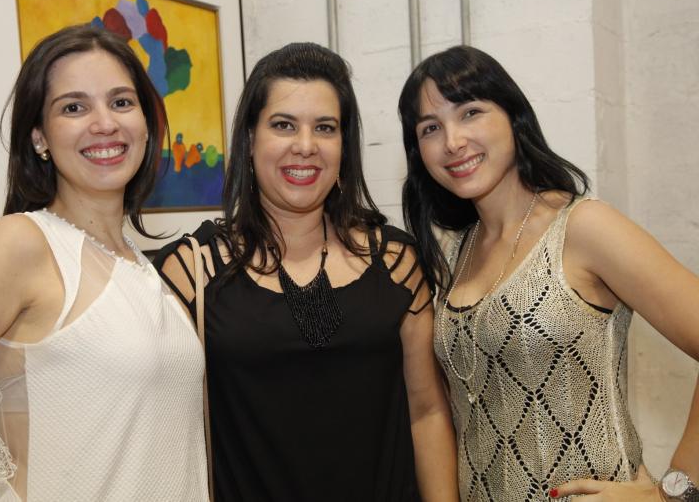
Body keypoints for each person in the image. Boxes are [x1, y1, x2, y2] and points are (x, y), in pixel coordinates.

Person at [0, 25, 209, 501]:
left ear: (147, 124)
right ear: (39, 136)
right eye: (74, 108)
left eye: (121, 102)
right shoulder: (22, 244)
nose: (104, 123)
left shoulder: (142, 268)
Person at [155, 42, 459, 501]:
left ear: (343, 146)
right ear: (250, 139)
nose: (305, 146)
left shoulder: (396, 262)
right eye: (283, 125)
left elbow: (427, 412)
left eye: (325, 128)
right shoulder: (192, 271)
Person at [398, 45, 699, 501]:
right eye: (430, 128)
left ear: (513, 116)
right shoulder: (456, 253)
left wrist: (672, 493)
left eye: (470, 112)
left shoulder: (583, 227)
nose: (452, 141)